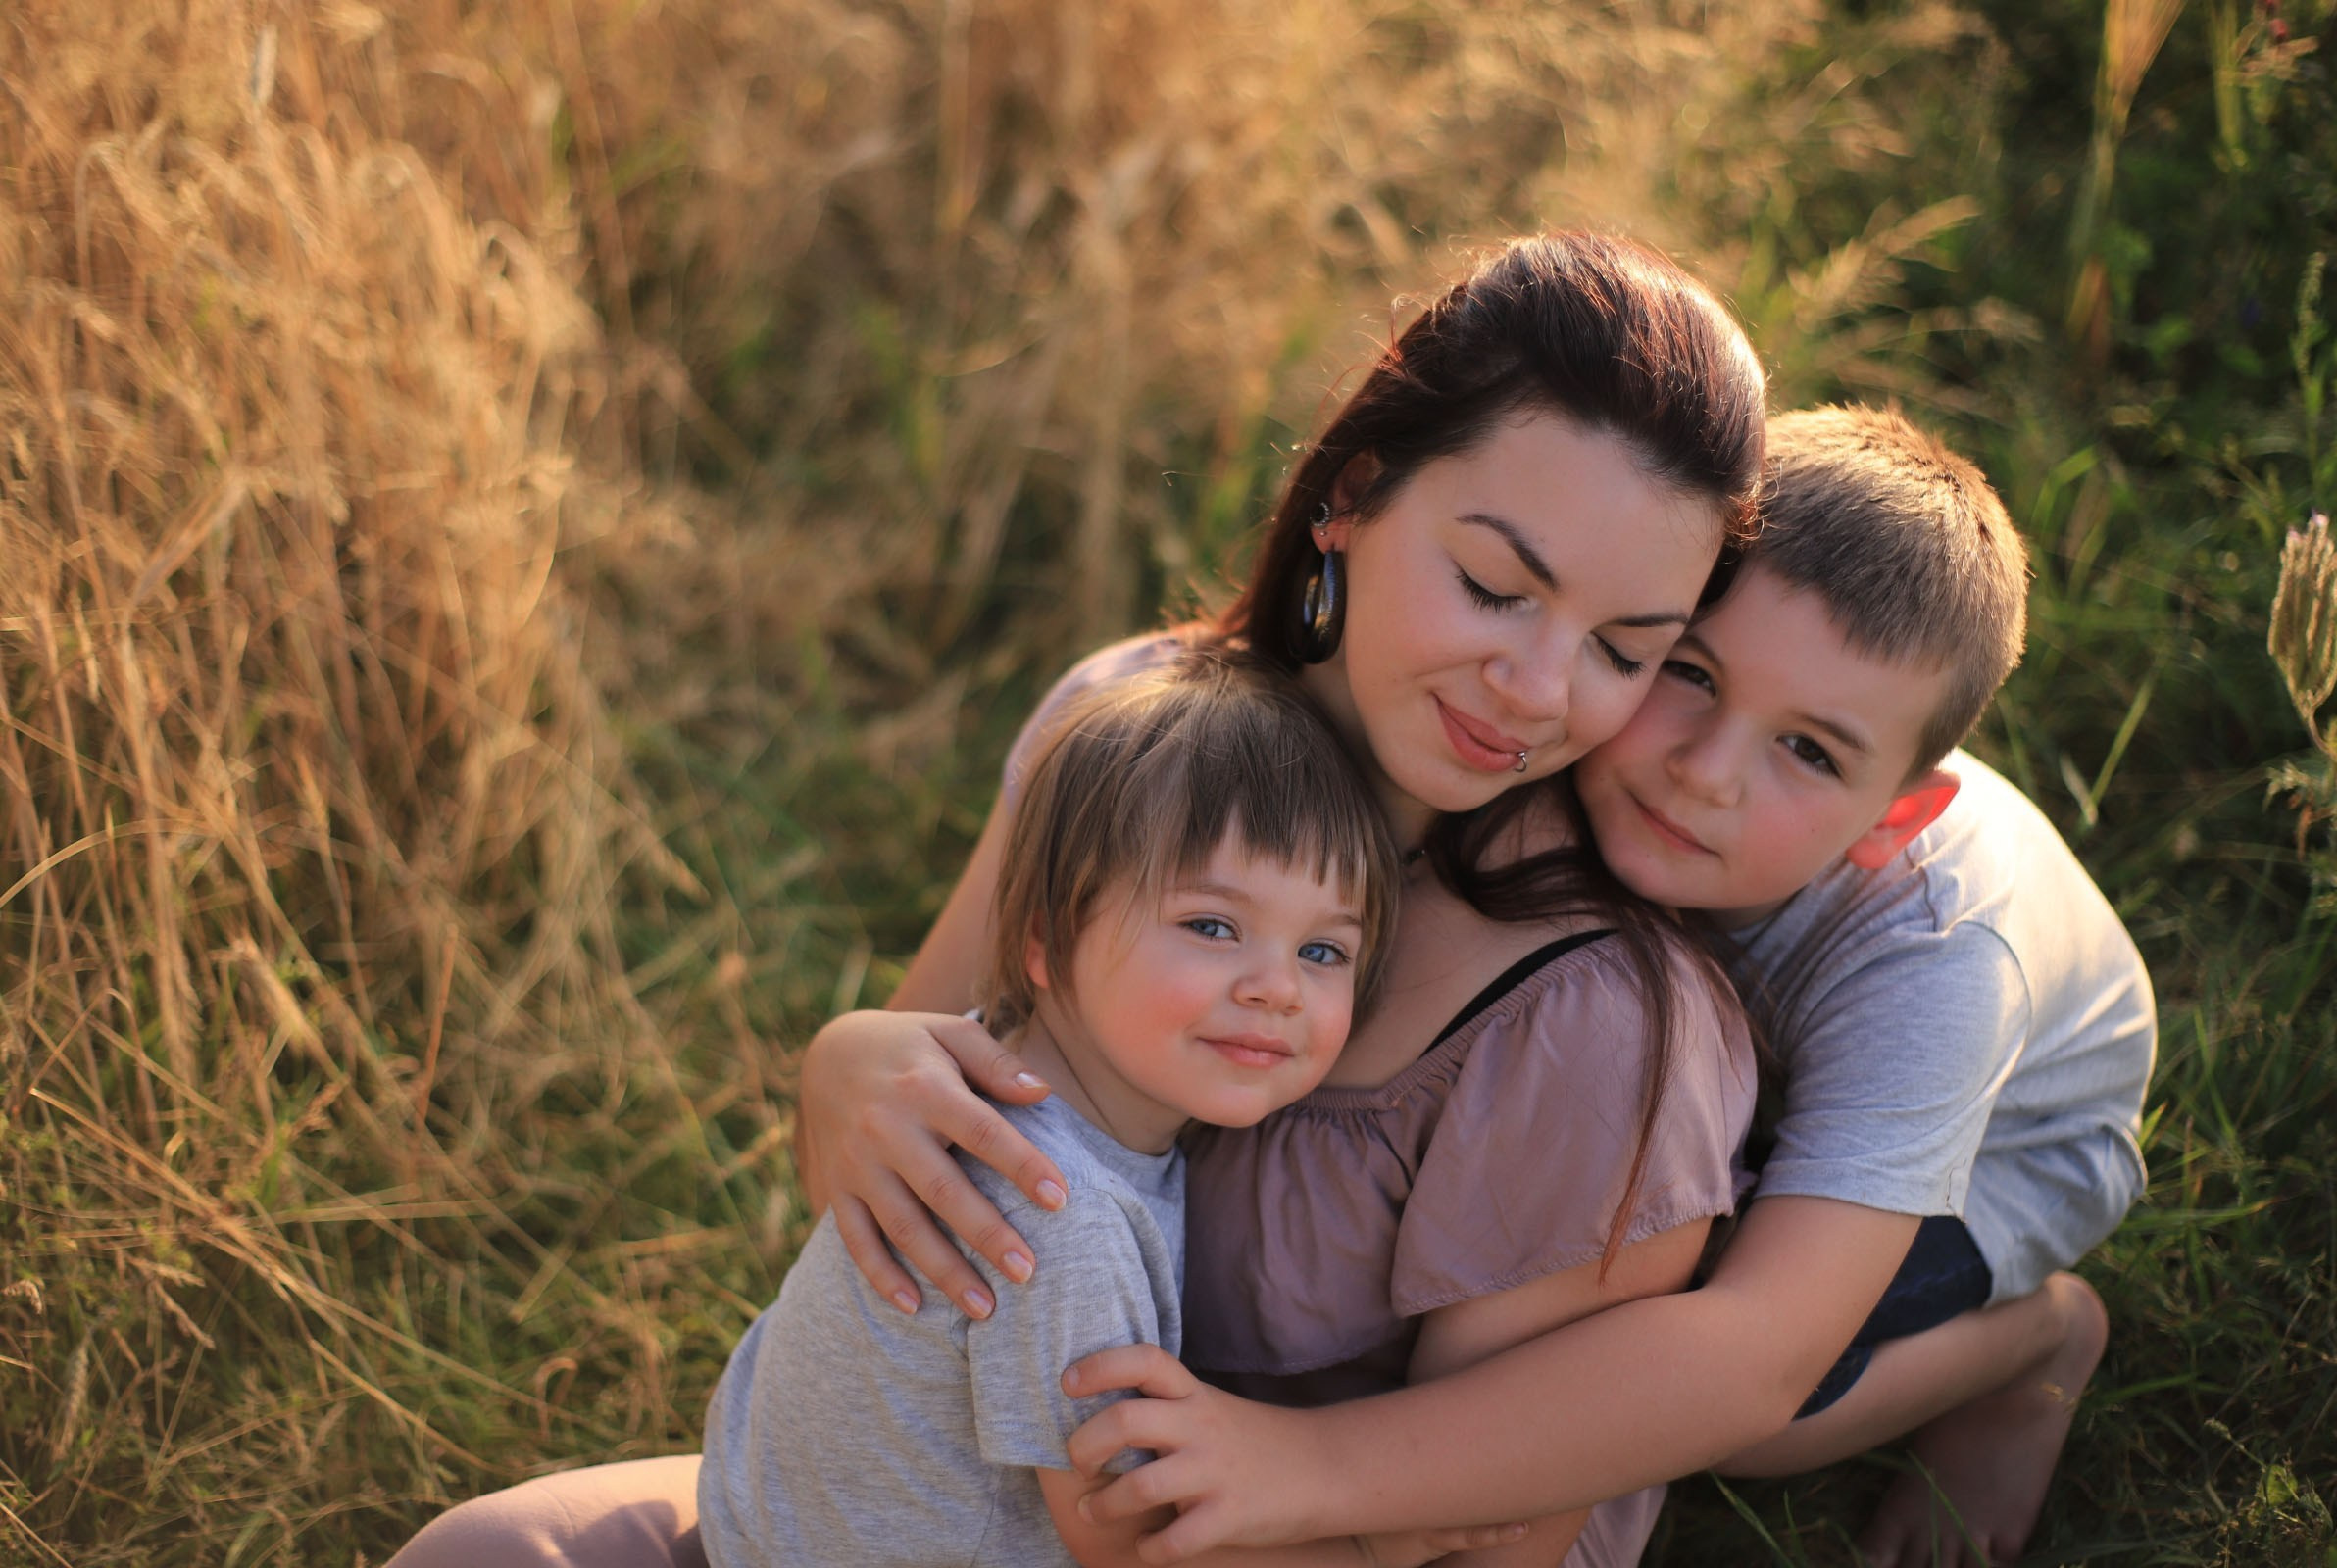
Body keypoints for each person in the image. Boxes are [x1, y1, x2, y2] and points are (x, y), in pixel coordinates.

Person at [386, 226, 1770, 1568]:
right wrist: (851, 1070)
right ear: (1348, 500)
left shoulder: (1586, 1021)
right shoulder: (1127, 734)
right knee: (487, 1553)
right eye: (1491, 586)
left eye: (1623, 651)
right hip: (966, 1505)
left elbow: (1496, 1538)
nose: (1536, 689)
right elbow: (893, 1218)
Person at [1050, 407, 2156, 1568]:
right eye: (1686, 672)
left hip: (2017, 1144)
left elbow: (1759, 1347)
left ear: (1896, 817)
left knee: (1748, 1412)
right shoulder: (1549, 738)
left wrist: (1312, 1471)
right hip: (1739, 1043)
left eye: (1809, 750)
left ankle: (2037, 1341)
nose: (1705, 772)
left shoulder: (1938, 965)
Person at [700, 647, 1524, 1567]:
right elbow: (1128, 1538)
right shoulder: (1062, 1215)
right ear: (1051, 940)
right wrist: (1375, 1542)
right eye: (1213, 926)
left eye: (1324, 952)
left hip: (752, 1516)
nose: (1277, 989)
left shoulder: (991, 1068)